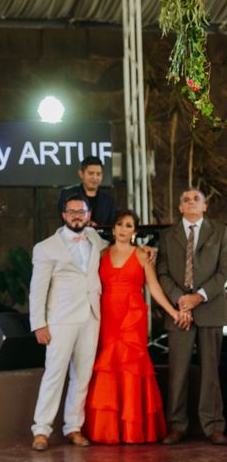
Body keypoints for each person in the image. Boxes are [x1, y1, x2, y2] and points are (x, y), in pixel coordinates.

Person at [84, 209, 189, 444]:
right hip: (107, 315)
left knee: (131, 366)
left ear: (135, 231)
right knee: (108, 365)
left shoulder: (142, 255)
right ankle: (108, 429)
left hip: (133, 317)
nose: (123, 229)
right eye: (120, 224)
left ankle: (133, 430)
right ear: (113, 229)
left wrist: (173, 312)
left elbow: (153, 288)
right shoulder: (100, 254)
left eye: (129, 225)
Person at [28, 195, 106, 451]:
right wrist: (39, 323)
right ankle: (41, 430)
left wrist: (145, 251)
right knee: (54, 375)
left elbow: (115, 250)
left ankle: (73, 427)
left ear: (87, 214)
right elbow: (37, 290)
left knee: (82, 376)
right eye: (71, 211)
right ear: (63, 215)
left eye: (80, 211)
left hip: (91, 316)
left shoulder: (94, 238)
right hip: (60, 320)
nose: (76, 215)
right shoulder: (46, 247)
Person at [157, 188, 227, 446]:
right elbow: (162, 272)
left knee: (211, 371)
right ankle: (177, 426)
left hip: (210, 309)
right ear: (180, 208)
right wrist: (180, 301)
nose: (191, 202)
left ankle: (213, 426)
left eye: (196, 199)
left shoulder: (221, 232)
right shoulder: (167, 237)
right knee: (178, 372)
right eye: (185, 199)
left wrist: (198, 297)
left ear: (205, 206)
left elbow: (224, 272)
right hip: (179, 314)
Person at [57, 156, 116, 227]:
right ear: (81, 174)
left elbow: (111, 226)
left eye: (98, 174)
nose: (95, 178)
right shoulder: (67, 194)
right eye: (91, 173)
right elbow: (64, 220)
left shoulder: (109, 200)